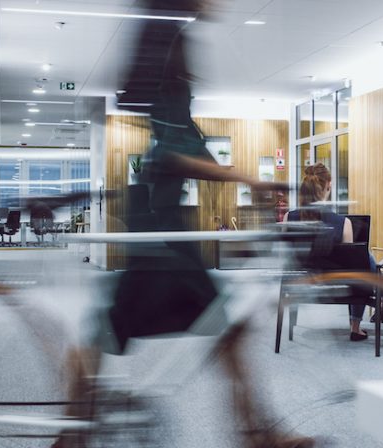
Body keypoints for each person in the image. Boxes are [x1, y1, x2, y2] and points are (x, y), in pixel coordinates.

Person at [54, 1, 314, 447]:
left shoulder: (174, 70)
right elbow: (170, 156)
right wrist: (245, 176)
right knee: (127, 329)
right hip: (162, 242)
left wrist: (247, 179)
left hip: (162, 237)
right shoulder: (167, 63)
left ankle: (257, 431)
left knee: (134, 328)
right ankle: (258, 433)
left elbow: (187, 149)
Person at [285, 163, 368, 340]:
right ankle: (355, 326)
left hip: (298, 283)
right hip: (333, 285)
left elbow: (287, 256)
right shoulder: (343, 223)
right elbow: (350, 266)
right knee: (365, 262)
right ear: (329, 186)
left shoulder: (288, 217)